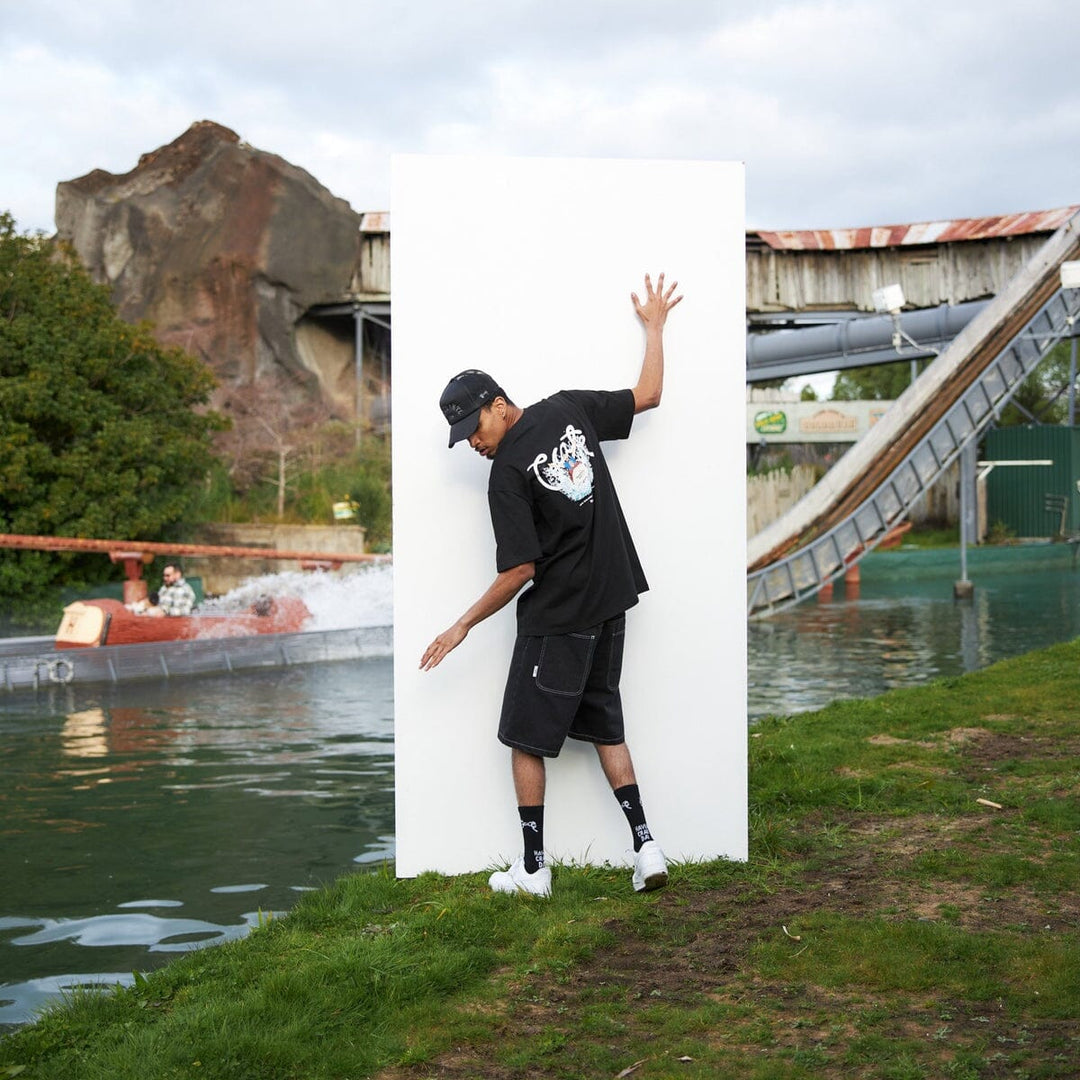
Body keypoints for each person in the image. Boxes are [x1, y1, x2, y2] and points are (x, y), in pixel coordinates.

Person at [420, 272, 682, 898]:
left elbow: (519, 571)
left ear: (497, 403)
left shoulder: (507, 472)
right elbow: (648, 394)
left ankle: (534, 870)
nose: (473, 445)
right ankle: (647, 849)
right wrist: (654, 328)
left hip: (559, 616)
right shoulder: (568, 407)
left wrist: (460, 625)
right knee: (605, 726)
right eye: (464, 440)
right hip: (611, 599)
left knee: (522, 736)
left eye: (472, 430)